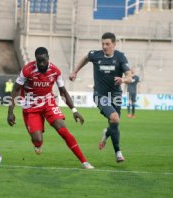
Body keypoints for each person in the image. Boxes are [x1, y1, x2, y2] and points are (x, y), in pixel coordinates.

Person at [7, 47, 94, 169]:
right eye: (39, 61)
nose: (41, 64)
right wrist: (10, 111)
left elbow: (63, 92)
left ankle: (84, 162)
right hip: (31, 107)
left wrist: (74, 110)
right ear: (35, 60)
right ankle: (37, 144)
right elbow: (16, 89)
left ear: (48, 58)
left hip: (49, 104)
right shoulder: (27, 70)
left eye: (44, 61)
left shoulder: (55, 71)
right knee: (38, 140)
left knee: (63, 130)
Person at [69, 32, 132, 163]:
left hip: (116, 95)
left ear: (114, 44)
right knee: (115, 118)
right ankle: (118, 153)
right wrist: (75, 71)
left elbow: (129, 76)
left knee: (115, 122)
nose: (104, 46)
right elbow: (85, 58)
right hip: (100, 95)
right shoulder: (95, 55)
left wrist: (124, 79)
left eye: (107, 44)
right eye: (103, 44)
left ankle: (106, 133)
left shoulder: (120, 57)